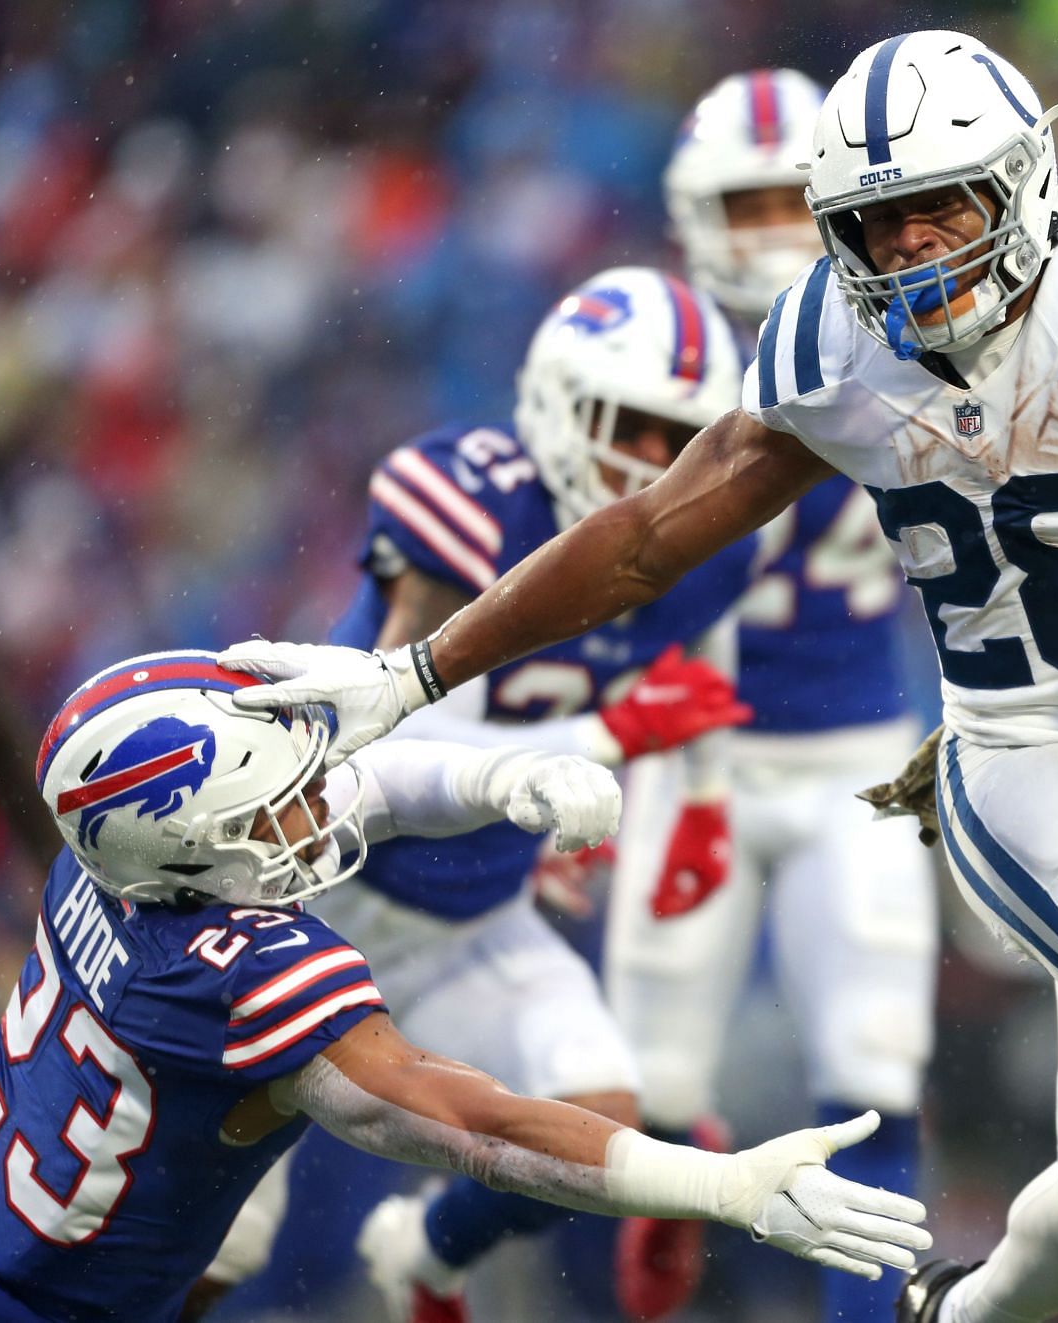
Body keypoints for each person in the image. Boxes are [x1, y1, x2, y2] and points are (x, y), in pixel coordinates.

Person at [216, 30, 1058, 1323]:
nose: (918, 249)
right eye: (880, 223)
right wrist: (418, 668)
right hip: (1020, 742)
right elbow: (649, 534)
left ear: (1026, 184)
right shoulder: (832, 347)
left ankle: (952, 1310)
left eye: (944, 207)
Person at [0, 651, 929, 1323]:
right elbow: (482, 1125)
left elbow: (371, 787)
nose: (319, 802)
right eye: (281, 801)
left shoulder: (108, 858)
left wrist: (505, 777)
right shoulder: (232, 975)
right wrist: (722, 1187)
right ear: (194, 849)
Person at [246, 264, 755, 1323]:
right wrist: (601, 738)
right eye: (634, 424)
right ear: (560, 400)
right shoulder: (473, 497)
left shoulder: (706, 558)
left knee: (601, 1125)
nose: (655, 464)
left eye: (681, 438)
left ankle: (425, 1252)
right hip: (310, 893)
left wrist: (698, 798)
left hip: (475, 911)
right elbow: (391, 732)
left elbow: (693, 683)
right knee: (228, 1241)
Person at [607, 67, 937, 1323]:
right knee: (647, 1103)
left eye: (788, 204)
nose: (767, 238)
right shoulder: (650, 351)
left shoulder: (919, 325)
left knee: (874, 1072)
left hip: (854, 755)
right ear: (693, 214)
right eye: (742, 207)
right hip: (689, 755)